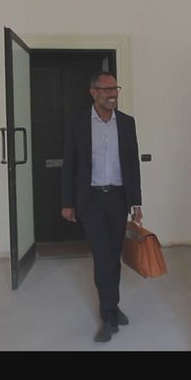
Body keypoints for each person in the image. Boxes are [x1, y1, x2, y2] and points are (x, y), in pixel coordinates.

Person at [61, 71, 143, 343]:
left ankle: (112, 305)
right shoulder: (78, 123)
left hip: (118, 198)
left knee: (114, 254)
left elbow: (132, 164)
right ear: (93, 92)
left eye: (115, 89)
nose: (113, 94)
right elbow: (70, 164)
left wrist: (136, 202)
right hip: (91, 200)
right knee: (102, 254)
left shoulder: (127, 123)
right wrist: (67, 202)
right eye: (107, 89)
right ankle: (108, 315)